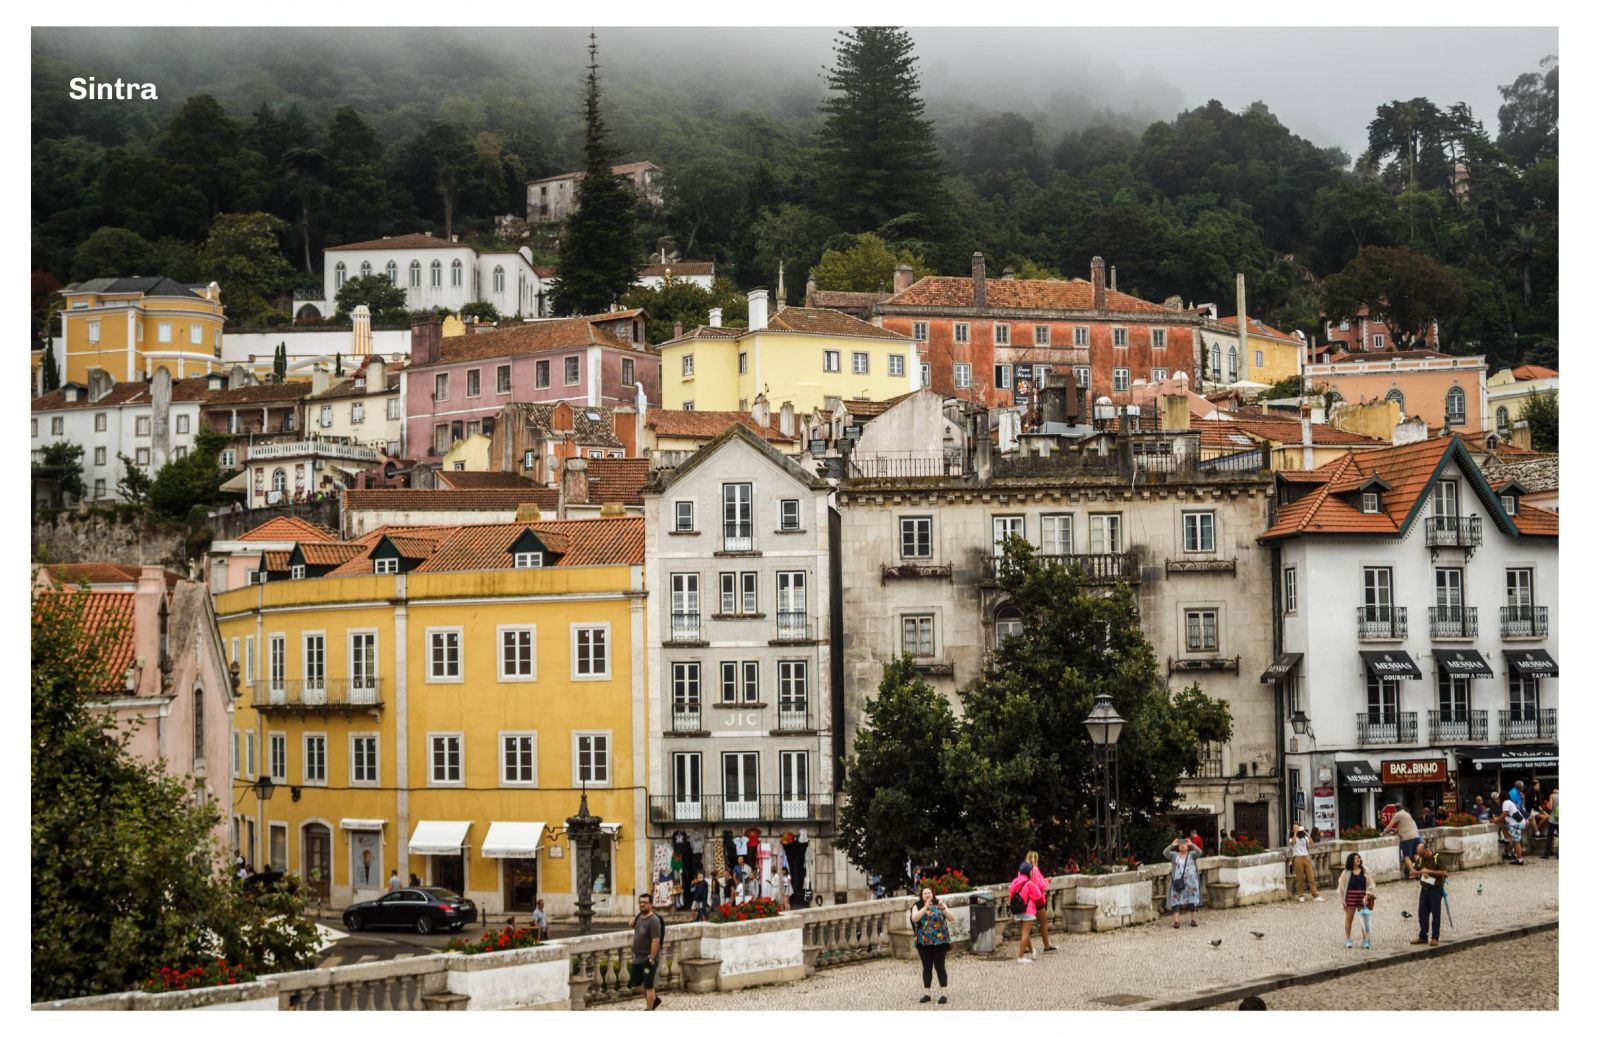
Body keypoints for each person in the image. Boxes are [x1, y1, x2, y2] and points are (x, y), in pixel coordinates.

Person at [909, 886, 952, 1004]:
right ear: (921, 896)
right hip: (924, 942)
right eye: (925, 893)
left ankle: (944, 994)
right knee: (927, 967)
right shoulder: (916, 906)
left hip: (940, 942)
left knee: (940, 967)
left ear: (933, 894)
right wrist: (925, 907)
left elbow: (952, 918)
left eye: (929, 893)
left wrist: (943, 908)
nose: (927, 895)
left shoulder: (939, 903)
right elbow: (914, 918)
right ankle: (927, 994)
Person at [1408, 839, 1448, 946]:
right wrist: (1422, 872)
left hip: (1436, 889)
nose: (1420, 857)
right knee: (1422, 913)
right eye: (1419, 855)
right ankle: (1423, 936)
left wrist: (1429, 872)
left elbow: (1445, 873)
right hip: (1424, 889)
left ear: (1426, 850)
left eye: (1421, 854)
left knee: (1436, 914)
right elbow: (1412, 872)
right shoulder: (1420, 859)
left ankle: (1435, 937)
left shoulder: (1436, 858)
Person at [629, 893, 665, 1011]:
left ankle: (649, 1009)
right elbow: (639, 930)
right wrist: (631, 922)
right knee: (635, 985)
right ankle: (654, 999)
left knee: (649, 986)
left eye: (645, 902)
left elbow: (655, 940)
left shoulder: (654, 920)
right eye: (640, 902)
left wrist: (651, 958)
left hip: (648, 958)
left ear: (650, 904)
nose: (642, 904)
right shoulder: (639, 917)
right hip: (637, 957)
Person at [1008, 862, 1044, 963]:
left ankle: (1032, 951)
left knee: (1024, 933)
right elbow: (1037, 896)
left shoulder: (1014, 882)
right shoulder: (1029, 883)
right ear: (1029, 872)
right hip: (1028, 910)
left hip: (1017, 910)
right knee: (1025, 934)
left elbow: (1010, 895)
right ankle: (1020, 957)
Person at [1165, 836, 1202, 928]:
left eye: (1184, 844)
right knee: (1176, 901)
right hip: (1178, 883)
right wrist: (1172, 845)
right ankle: (1176, 922)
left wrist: (1192, 844)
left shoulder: (1192, 854)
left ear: (1187, 846)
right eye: (1180, 845)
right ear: (1178, 847)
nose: (1182, 846)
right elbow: (1165, 853)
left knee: (1192, 901)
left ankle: (1193, 920)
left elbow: (1200, 852)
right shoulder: (1174, 855)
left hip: (1191, 884)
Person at [1336, 851, 1371, 949]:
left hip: (1362, 898)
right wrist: (1343, 901)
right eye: (1355, 858)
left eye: (1358, 858)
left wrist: (1367, 895)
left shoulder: (1365, 871)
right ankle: (1348, 939)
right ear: (1351, 861)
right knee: (1349, 919)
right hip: (1350, 898)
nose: (1357, 860)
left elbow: (1370, 885)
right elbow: (1341, 887)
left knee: (1364, 920)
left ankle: (1366, 940)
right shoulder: (1346, 873)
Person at [1024, 850, 1056, 952]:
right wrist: (1047, 880)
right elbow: (1040, 885)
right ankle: (1046, 945)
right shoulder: (1035, 869)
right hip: (1037, 900)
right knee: (1043, 923)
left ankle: (1026, 947)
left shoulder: (1022, 870)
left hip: (1026, 900)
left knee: (1026, 926)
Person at [1383, 802, 1420, 874]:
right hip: (1415, 835)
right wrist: (1394, 833)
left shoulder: (1398, 814)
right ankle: (1421, 870)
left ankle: (1413, 872)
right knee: (1416, 855)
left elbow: (1390, 825)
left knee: (1406, 856)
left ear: (1396, 809)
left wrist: (1383, 833)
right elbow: (1403, 826)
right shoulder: (1407, 814)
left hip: (1406, 837)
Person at [1289, 825, 1323, 902]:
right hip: (1298, 857)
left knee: (1311, 877)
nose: (1297, 828)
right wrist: (1295, 832)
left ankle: (1315, 895)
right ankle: (1301, 895)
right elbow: (1293, 843)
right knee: (1299, 877)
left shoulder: (1305, 838)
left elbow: (1312, 843)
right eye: (1295, 827)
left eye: (1298, 827)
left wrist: (1305, 833)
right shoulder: (1292, 838)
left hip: (1306, 857)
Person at [1497, 793, 1526, 864]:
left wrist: (1496, 820)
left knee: (1517, 842)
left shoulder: (1505, 802)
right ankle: (1506, 839)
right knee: (1503, 825)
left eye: (1498, 798)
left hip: (1515, 825)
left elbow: (1505, 813)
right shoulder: (1510, 802)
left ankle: (1520, 860)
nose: (1498, 799)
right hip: (1519, 823)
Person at [1542, 788, 1559, 859]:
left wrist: (1548, 804)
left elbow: (1550, 807)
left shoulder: (1552, 796)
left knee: (1549, 837)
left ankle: (1546, 855)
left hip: (1552, 819)